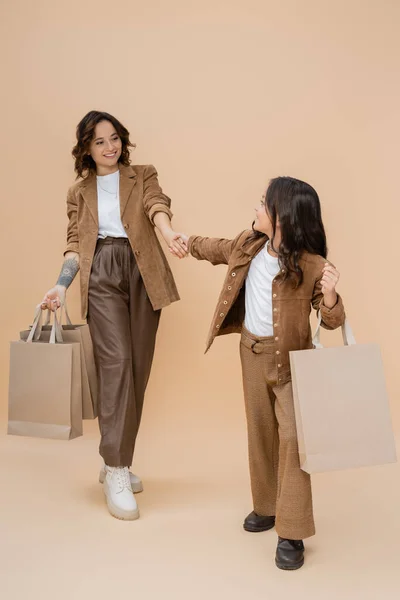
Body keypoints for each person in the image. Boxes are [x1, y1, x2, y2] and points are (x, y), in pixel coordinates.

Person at [176, 177, 345, 569]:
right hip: (250, 354)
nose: (255, 207)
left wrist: (332, 294)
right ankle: (267, 507)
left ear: (282, 216)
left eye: (262, 203)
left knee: (292, 440)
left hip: (289, 364)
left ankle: (293, 529)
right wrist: (186, 242)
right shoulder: (248, 245)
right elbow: (213, 248)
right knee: (260, 432)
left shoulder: (313, 265)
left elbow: (333, 319)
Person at [41, 110, 188, 521]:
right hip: (101, 270)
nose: (110, 147)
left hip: (144, 273)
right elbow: (75, 242)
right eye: (100, 142)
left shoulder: (143, 174)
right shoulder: (79, 192)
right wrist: (61, 284)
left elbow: (157, 205)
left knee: (136, 369)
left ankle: (112, 461)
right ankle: (118, 469)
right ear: (86, 149)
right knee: (117, 364)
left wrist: (167, 232)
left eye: (114, 138)